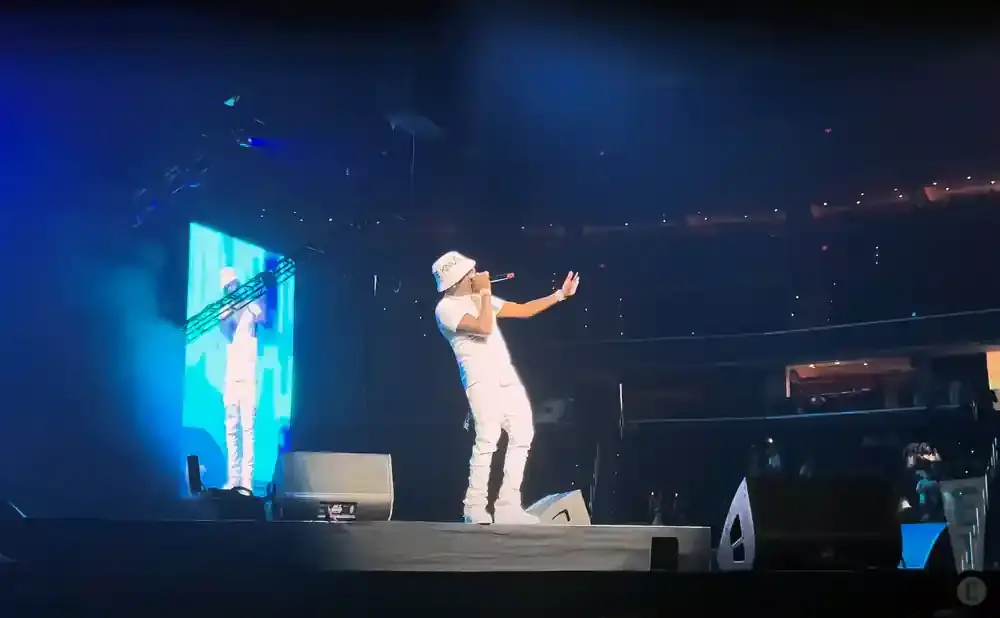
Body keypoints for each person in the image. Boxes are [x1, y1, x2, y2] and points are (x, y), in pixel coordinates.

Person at [432, 251, 580, 524]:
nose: (477, 275)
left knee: (523, 433)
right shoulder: (445, 309)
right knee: (487, 438)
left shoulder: (478, 299)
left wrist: (560, 294)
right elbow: (484, 327)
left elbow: (523, 310)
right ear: (457, 280)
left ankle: (508, 504)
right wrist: (485, 293)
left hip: (505, 376)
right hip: (481, 379)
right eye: (471, 273)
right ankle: (473, 506)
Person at [219, 267, 265, 492]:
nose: (232, 288)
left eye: (234, 283)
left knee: (248, 430)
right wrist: (231, 305)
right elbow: (226, 330)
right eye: (228, 286)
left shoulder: (250, 304)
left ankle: (247, 482)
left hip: (248, 378)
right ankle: (233, 479)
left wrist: (252, 298)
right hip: (232, 378)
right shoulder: (224, 310)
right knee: (231, 430)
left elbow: (263, 317)